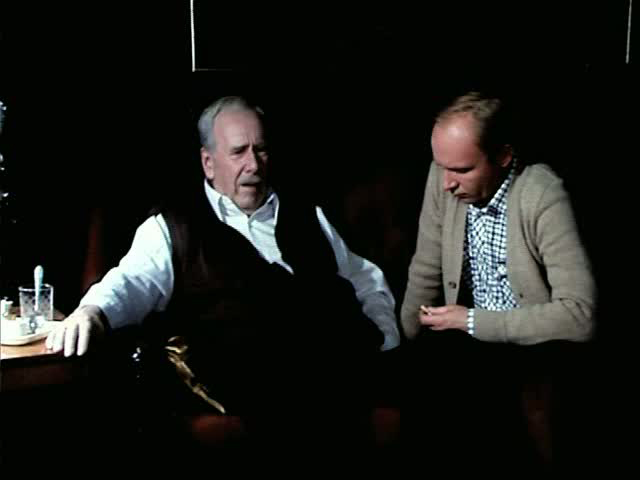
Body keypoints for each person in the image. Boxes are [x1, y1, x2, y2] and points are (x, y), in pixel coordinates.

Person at [46, 95, 400, 463]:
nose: (254, 165)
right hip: (248, 393)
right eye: (239, 152)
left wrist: (385, 337)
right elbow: (131, 282)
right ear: (208, 162)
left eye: (261, 150)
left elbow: (363, 277)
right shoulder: (172, 227)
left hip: (333, 380)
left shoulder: (308, 213)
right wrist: (92, 310)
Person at [400, 91, 596, 471]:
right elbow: (425, 267)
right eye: (441, 167)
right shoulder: (443, 176)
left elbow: (579, 315)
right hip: (470, 339)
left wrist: (472, 320)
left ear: (503, 156)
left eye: (462, 170)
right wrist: (401, 348)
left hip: (532, 341)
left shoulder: (542, 194)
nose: (447, 183)